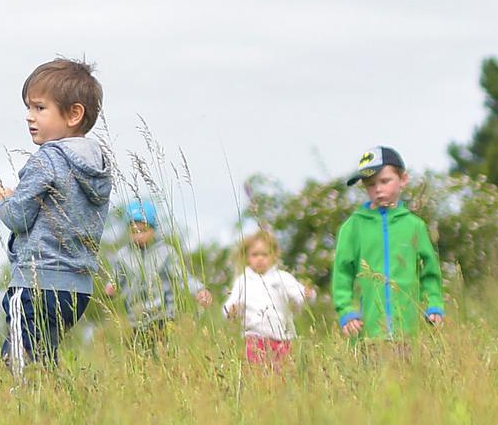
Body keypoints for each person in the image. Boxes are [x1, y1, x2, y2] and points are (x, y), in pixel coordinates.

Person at [0, 58, 118, 368]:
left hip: (36, 281)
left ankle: (24, 412)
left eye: (39, 108)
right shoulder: (98, 164)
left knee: (19, 361)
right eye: (29, 109)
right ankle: (50, 407)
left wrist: (1, 201)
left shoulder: (47, 159)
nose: (29, 117)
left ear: (74, 114)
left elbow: (18, 217)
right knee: (43, 356)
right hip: (77, 289)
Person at [327, 147, 445, 341]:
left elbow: (429, 272)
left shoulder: (415, 226)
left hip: (409, 332)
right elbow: (342, 274)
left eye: (384, 181)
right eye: (371, 185)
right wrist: (346, 310)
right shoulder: (353, 227)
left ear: (403, 179)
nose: (378, 189)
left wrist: (434, 304)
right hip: (368, 333)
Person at [99, 202, 199, 338]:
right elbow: (117, 279)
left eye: (144, 231)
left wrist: (198, 290)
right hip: (136, 319)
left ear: (153, 229)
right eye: (134, 232)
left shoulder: (165, 252)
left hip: (163, 316)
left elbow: (182, 277)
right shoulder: (122, 255)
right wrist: (111, 288)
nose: (139, 236)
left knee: (164, 352)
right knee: (141, 352)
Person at [221, 233, 310, 372]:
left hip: (281, 338)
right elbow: (231, 304)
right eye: (255, 254)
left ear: (274, 255)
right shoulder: (244, 281)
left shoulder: (282, 278)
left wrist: (306, 295)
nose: (260, 259)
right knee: (258, 374)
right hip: (255, 339)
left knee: (281, 374)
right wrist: (231, 310)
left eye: (265, 254)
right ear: (247, 257)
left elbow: (299, 294)